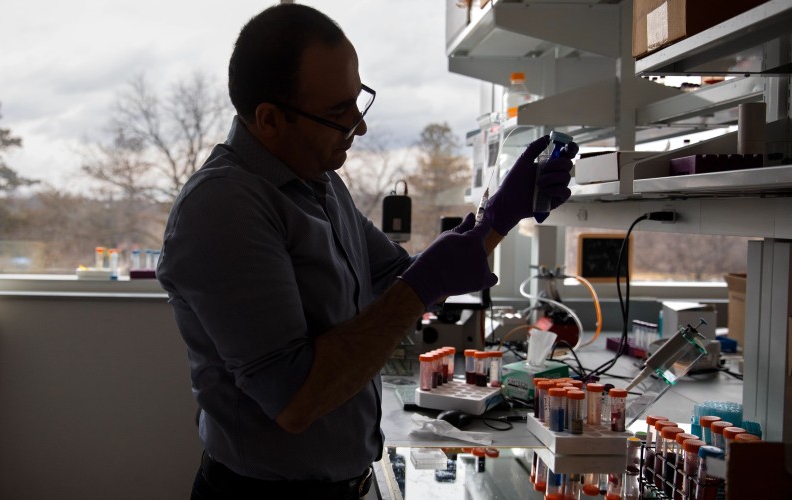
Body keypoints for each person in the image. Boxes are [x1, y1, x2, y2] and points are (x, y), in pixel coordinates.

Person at [156, 4, 577, 499]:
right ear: (269, 120)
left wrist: (501, 214)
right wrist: (423, 285)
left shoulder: (320, 183)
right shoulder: (224, 207)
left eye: (358, 101)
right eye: (337, 113)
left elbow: (405, 279)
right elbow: (294, 398)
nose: (359, 126)